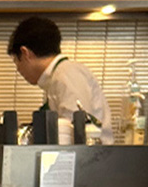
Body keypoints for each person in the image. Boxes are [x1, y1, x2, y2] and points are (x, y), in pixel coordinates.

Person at [7, 15, 113, 143]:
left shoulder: (66, 74)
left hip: (92, 155)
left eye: (16, 61)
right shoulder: (58, 76)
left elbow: (74, 131)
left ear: (25, 53)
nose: (18, 69)